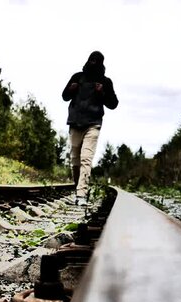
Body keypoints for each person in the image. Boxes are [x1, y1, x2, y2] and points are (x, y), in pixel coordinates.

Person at [62, 51, 118, 206]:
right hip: (75, 122)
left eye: (96, 61)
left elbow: (113, 104)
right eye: (91, 60)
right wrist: (71, 90)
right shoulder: (77, 77)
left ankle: (81, 194)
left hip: (93, 124)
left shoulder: (105, 81)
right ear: (88, 60)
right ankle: (77, 188)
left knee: (86, 158)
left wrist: (102, 93)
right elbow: (64, 96)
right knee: (75, 160)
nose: (93, 63)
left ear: (101, 63)